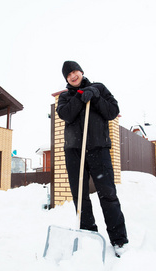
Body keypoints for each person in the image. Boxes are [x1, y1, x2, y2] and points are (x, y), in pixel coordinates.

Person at [56, 60, 128, 256]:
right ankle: (89, 236)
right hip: (74, 151)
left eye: (74, 71)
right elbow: (66, 115)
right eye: (68, 74)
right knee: (80, 196)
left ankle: (119, 240)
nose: (72, 76)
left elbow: (112, 111)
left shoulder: (100, 88)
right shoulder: (64, 98)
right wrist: (80, 97)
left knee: (108, 194)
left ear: (80, 71)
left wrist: (95, 96)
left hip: (98, 149)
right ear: (66, 79)